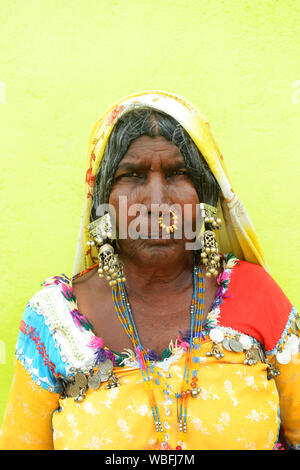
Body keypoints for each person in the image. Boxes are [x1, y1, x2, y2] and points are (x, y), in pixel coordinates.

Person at [0, 91, 299, 451]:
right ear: (102, 202)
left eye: (178, 173)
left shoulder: (255, 294)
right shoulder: (54, 321)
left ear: (206, 197)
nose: (157, 203)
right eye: (132, 174)